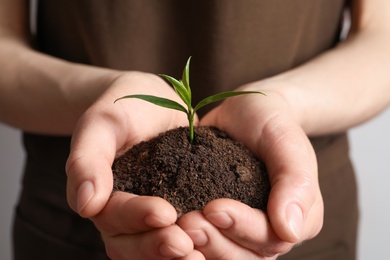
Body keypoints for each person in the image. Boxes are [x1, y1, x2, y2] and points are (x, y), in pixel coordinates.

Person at [1, 0, 389, 259]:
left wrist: (283, 103)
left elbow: (381, 36)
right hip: (82, 225)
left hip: (291, 210)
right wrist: (102, 94)